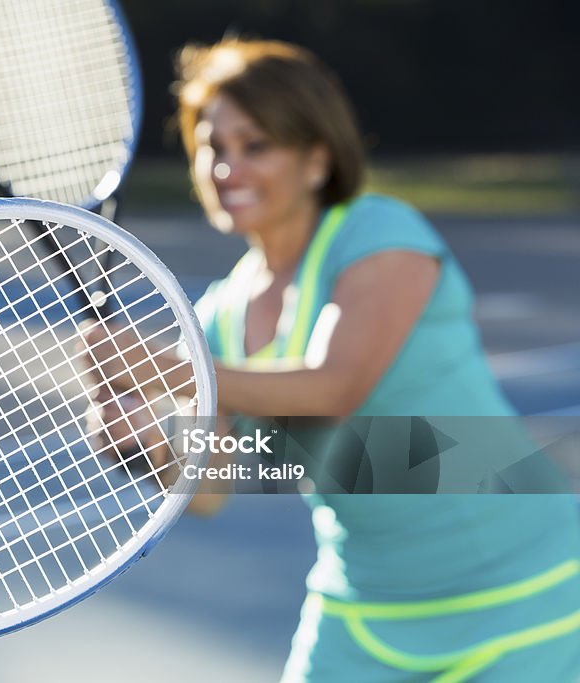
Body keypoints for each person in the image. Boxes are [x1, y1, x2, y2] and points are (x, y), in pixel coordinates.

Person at [84, 38, 580, 682]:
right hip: (363, 612)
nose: (228, 168)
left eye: (256, 145)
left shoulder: (379, 234)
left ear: (316, 158)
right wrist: (140, 440)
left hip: (526, 591)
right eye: (213, 146)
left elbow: (332, 388)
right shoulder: (216, 319)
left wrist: (162, 368)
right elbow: (209, 490)